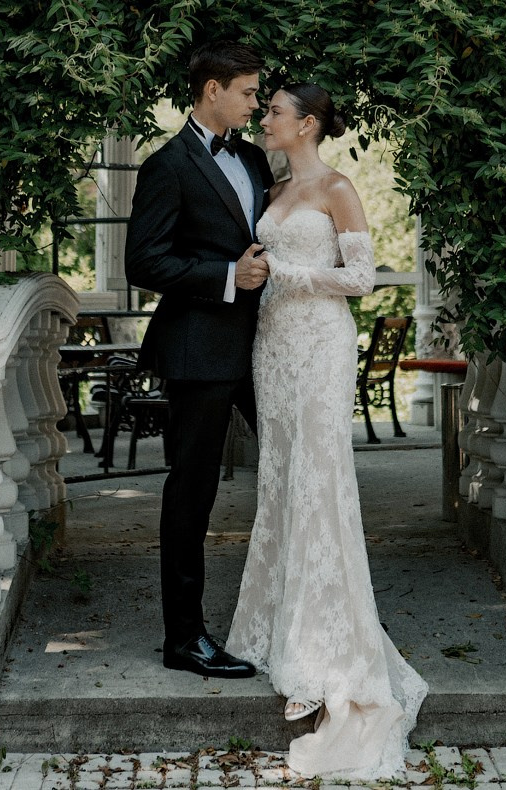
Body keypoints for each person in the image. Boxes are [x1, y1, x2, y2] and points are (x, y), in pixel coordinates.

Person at [226, 81, 428, 778]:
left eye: (276, 111)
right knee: (279, 480)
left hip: (320, 345)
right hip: (273, 346)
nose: (266, 117)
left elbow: (364, 277)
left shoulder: (337, 186)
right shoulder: (273, 186)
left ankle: (324, 649)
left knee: (319, 481)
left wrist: (282, 267)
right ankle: (273, 626)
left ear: (307, 124)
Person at [124, 40, 274, 679]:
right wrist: (223, 276)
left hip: (268, 348)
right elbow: (144, 261)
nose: (255, 102)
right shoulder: (168, 164)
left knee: (303, 474)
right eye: (247, 92)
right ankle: (183, 637)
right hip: (198, 349)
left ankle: (317, 614)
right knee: (193, 493)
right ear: (212, 90)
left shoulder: (254, 159)